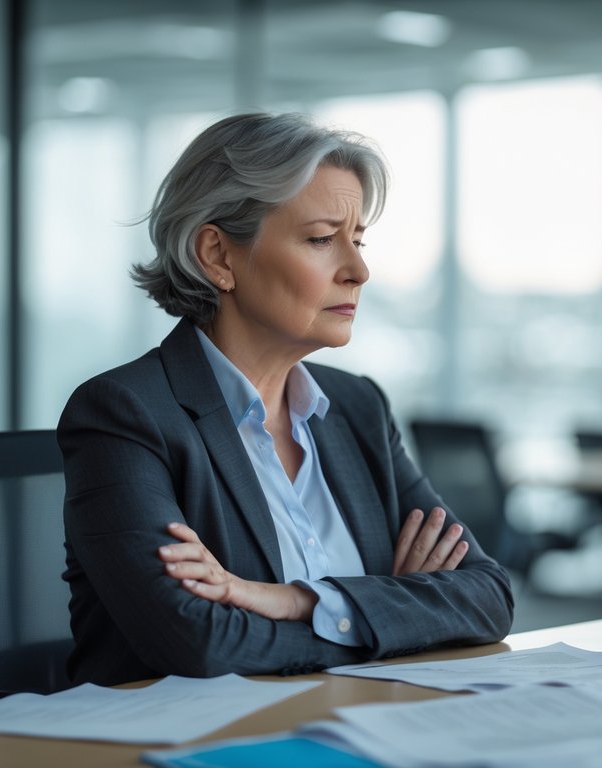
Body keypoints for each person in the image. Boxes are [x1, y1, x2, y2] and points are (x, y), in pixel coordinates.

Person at [57, 112, 514, 686]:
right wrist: (391, 612)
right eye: (322, 240)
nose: (359, 270)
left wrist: (295, 601)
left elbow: (488, 597)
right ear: (218, 256)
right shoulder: (123, 415)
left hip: (358, 729)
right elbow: (201, 644)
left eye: (359, 240)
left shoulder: (357, 408)